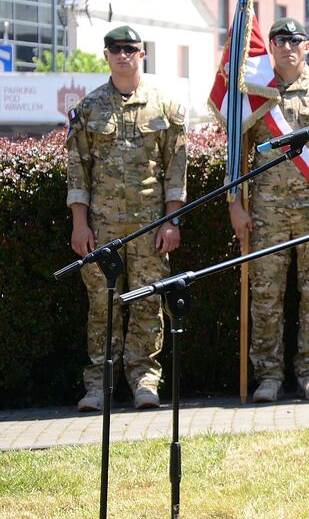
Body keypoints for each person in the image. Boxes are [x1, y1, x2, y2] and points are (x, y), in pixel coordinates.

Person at [228, 18, 309, 403]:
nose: (287, 47)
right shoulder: (254, 92)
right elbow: (237, 154)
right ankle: (268, 377)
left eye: (294, 40)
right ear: (270, 46)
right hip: (265, 214)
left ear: (307, 46)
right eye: (279, 40)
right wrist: (235, 205)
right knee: (266, 297)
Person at [66, 25, 187, 412]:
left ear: (142, 54)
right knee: (103, 307)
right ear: (106, 55)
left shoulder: (164, 106)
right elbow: (78, 171)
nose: (123, 55)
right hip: (102, 228)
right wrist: (79, 223)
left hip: (151, 228)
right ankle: (98, 387)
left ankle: (144, 382)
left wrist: (172, 221)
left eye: (130, 49)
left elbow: (175, 170)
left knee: (148, 303)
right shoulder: (89, 109)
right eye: (115, 49)